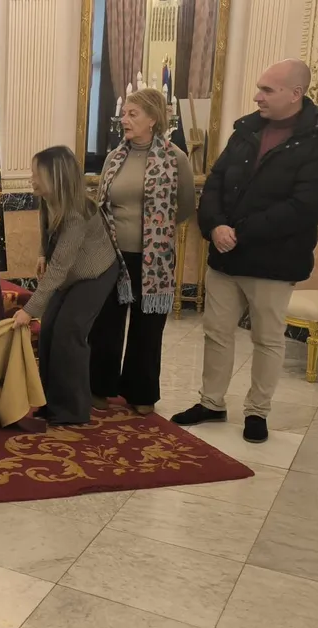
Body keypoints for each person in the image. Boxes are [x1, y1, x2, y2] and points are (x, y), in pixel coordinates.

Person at [172, 59, 318, 442]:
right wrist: (215, 226)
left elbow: (305, 205)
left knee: (267, 339)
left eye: (267, 90)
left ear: (295, 94)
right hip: (226, 256)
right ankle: (211, 402)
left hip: (274, 261)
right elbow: (215, 182)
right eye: (259, 88)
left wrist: (240, 232)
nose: (257, 97)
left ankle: (257, 412)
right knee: (216, 333)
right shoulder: (246, 129)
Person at [90, 88, 197, 415]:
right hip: (111, 255)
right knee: (106, 325)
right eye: (124, 113)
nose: (124, 119)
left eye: (132, 114)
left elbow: (185, 206)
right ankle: (99, 388)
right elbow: (102, 204)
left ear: (153, 119)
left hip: (154, 260)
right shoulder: (114, 157)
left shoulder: (175, 158)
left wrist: (154, 232)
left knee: (147, 327)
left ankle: (141, 391)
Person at [13, 146, 123, 425]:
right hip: (71, 273)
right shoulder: (47, 198)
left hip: (96, 274)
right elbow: (47, 229)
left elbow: (59, 269)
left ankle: (73, 410)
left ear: (55, 177)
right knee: (49, 329)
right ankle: (49, 402)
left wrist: (29, 310)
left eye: (36, 174)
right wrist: (42, 253)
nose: (31, 178)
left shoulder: (76, 214)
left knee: (69, 332)